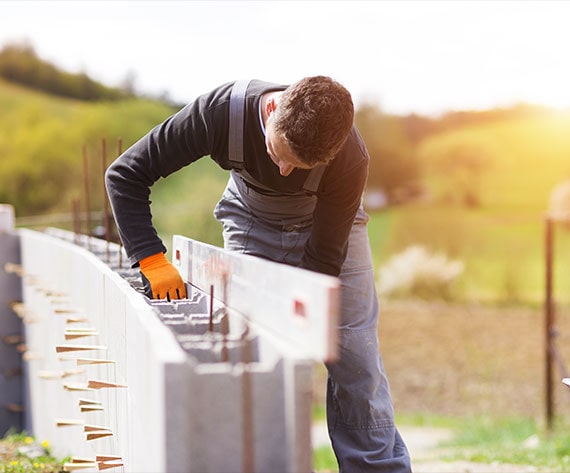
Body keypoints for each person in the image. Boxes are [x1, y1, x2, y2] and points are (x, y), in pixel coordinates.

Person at [105, 76, 411, 472]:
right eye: (278, 152)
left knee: (356, 357)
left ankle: (376, 467)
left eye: (300, 166)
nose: (284, 171)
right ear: (270, 111)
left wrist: (305, 320)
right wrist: (151, 259)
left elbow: (323, 262)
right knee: (249, 348)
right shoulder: (218, 115)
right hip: (250, 220)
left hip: (331, 230)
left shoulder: (350, 157)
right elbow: (125, 175)